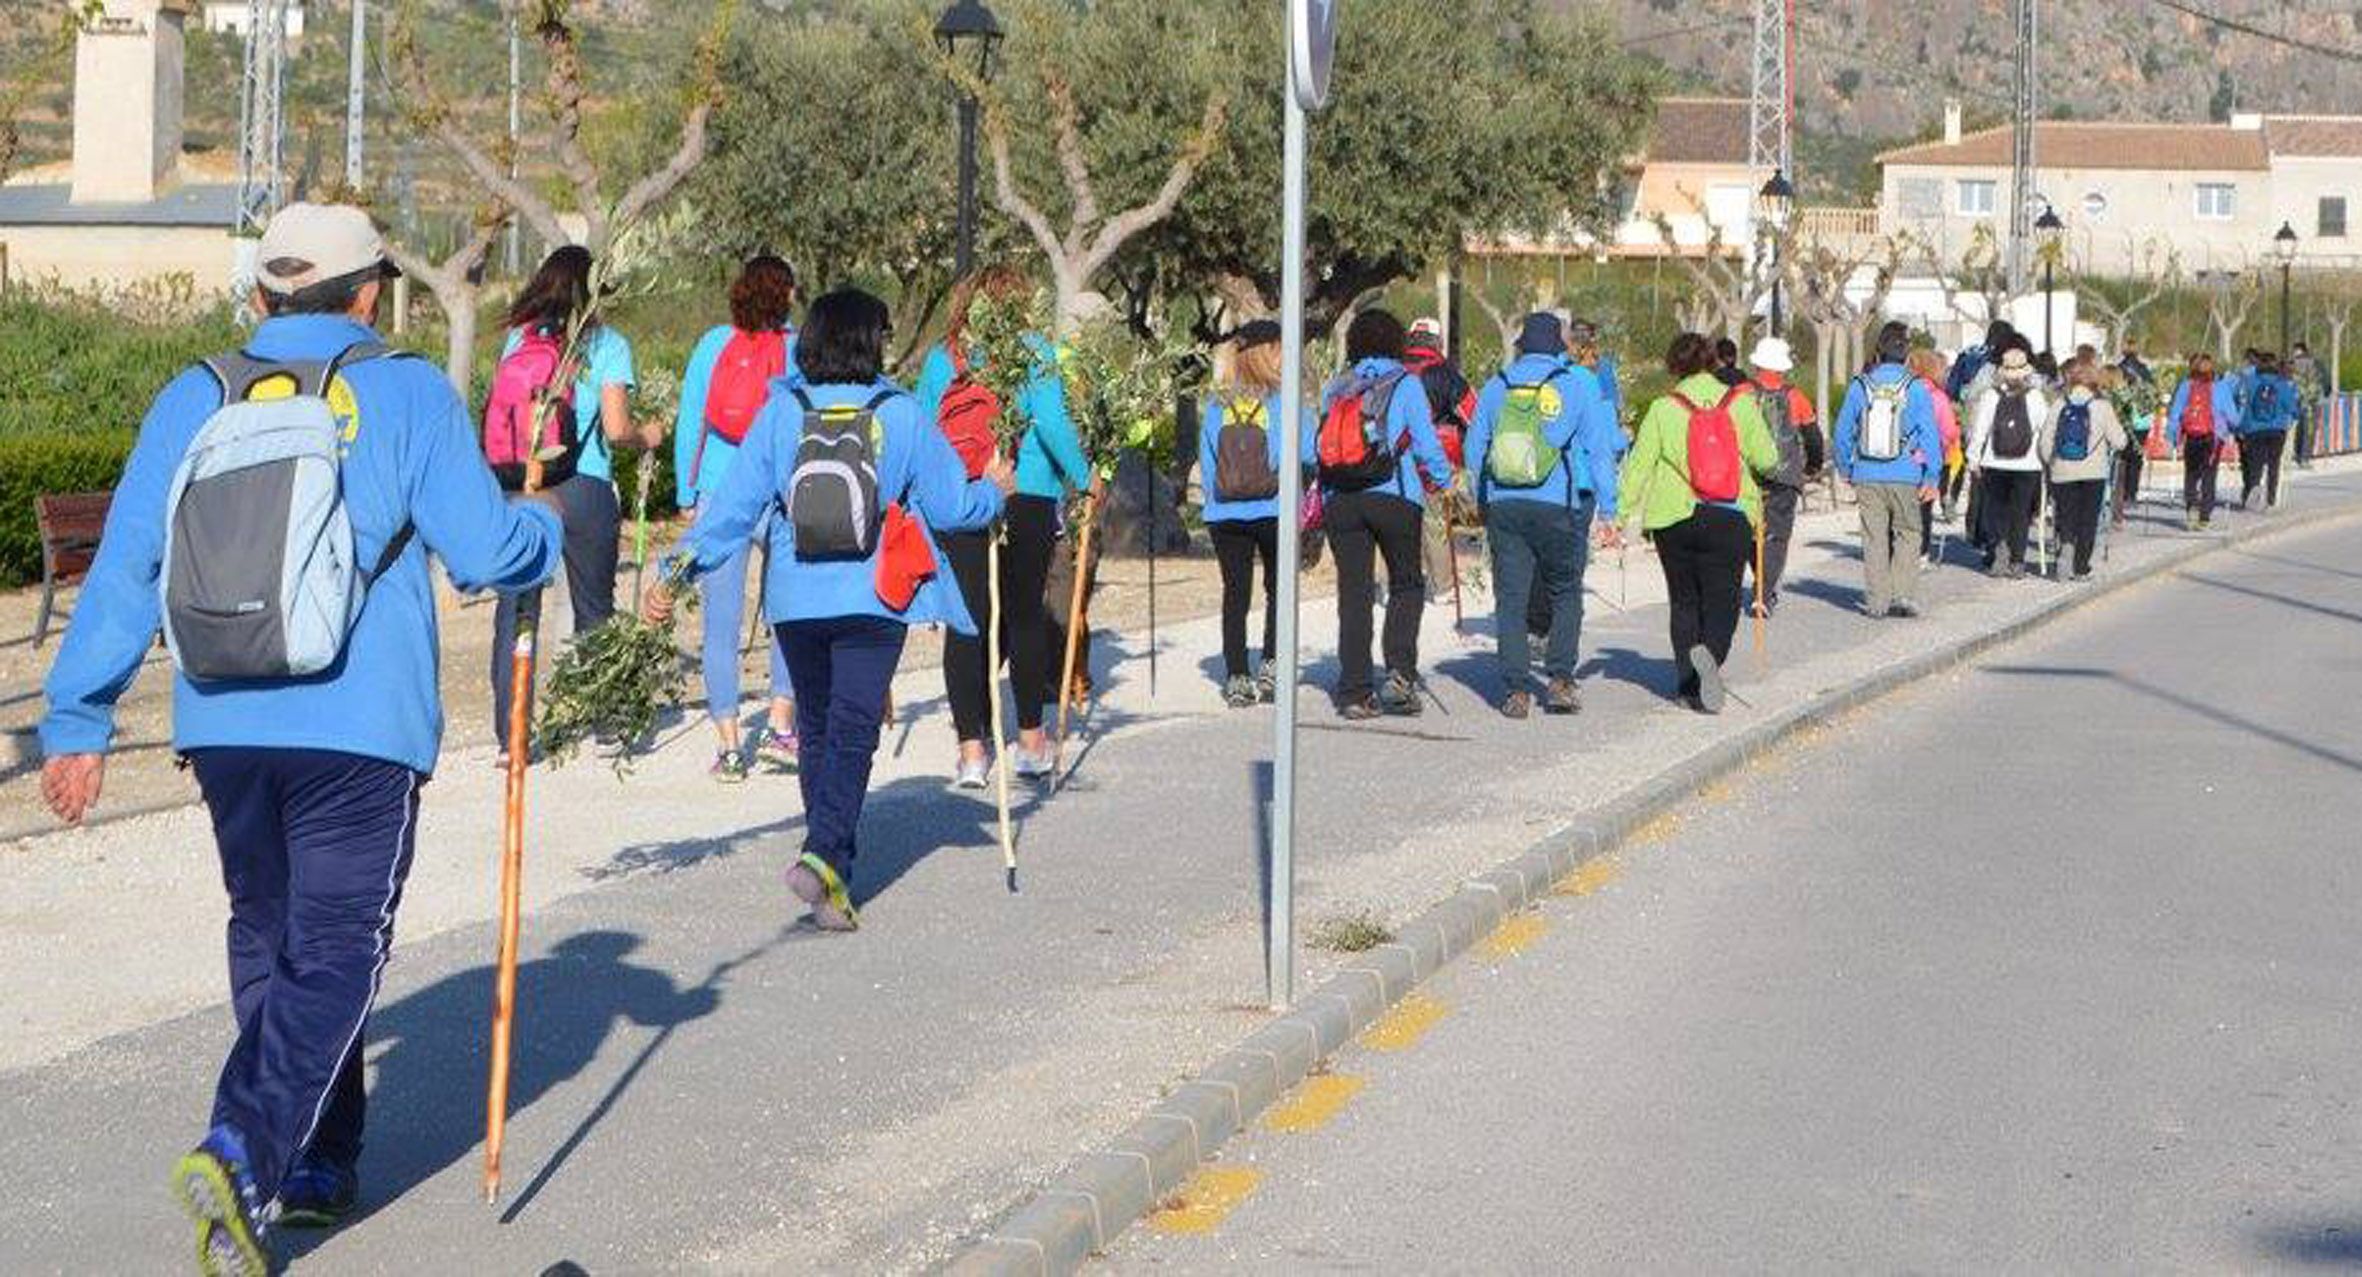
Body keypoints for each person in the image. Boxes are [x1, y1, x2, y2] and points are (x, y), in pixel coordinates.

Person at [38, 204, 565, 1268]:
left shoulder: (194, 392)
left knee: (270, 935)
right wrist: (543, 531)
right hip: (357, 725)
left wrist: (76, 719)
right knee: (335, 948)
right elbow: (483, 546)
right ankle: (243, 1147)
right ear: (370, 293)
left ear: (261, 295)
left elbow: (128, 567)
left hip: (224, 721)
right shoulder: (408, 388)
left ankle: (315, 1160)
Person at [647, 289, 1013, 930]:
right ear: (871, 340)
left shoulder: (781, 412)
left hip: (797, 597)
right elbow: (955, 507)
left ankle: (831, 878)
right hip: (875, 594)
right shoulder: (899, 413)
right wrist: (996, 493)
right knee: (852, 726)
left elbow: (732, 509)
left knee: (818, 727)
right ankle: (822, 853)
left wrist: (674, 572)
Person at [914, 268, 1100, 786]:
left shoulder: (940, 359)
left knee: (967, 621)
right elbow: (1054, 423)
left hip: (961, 499)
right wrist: (1084, 478)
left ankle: (972, 751)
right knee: (1023, 615)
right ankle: (1031, 742)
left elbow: (924, 432)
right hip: (1028, 492)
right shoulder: (1033, 351)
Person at [488, 246, 663, 760]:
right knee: (594, 607)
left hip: (522, 486)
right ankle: (605, 722)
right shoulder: (607, 343)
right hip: (583, 485)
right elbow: (615, 427)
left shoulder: (517, 339)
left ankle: (512, 737)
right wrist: (646, 434)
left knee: (516, 607)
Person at [673, 254, 801, 781]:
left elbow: (690, 420)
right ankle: (778, 725)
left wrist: (687, 492)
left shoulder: (712, 344)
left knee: (719, 627)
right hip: (781, 495)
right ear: (786, 295)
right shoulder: (797, 350)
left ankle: (728, 747)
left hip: (720, 495)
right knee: (788, 614)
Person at [1464, 312, 1623, 718]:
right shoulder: (1575, 385)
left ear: (1521, 345)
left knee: (1512, 597)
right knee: (1565, 591)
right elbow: (1598, 450)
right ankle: (1560, 681)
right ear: (1559, 345)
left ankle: (1516, 690)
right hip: (1559, 505)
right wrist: (1609, 507)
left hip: (1505, 504)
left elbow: (1474, 447)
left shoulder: (1497, 385)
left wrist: (1480, 497)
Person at [1616, 333, 1779, 714]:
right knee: (1722, 601)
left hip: (1674, 517)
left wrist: (1619, 514)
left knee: (1684, 601)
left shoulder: (1662, 408)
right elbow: (1767, 458)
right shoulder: (1740, 402)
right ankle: (1712, 660)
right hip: (1730, 514)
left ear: (1674, 366)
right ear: (1712, 362)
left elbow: (1639, 466)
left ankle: (1688, 684)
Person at [1309, 308, 1454, 719]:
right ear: (1395, 343)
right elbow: (1426, 444)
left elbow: (1319, 447)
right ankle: (1399, 676)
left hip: (1342, 499)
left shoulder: (1336, 388)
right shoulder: (1406, 384)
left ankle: (1354, 690)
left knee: (1353, 593)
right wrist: (1442, 481)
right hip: (1394, 495)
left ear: (1353, 343)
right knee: (1407, 584)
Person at [1197, 320, 1295, 707]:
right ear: (1268, 353)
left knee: (1235, 594)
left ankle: (1237, 675)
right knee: (1278, 590)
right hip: (1273, 507)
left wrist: (1215, 501)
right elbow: (1303, 452)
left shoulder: (1216, 405)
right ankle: (1271, 665)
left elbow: (1207, 462)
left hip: (1225, 512)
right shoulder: (1282, 402)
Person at [1834, 322, 1945, 615]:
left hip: (1867, 473)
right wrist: (1932, 475)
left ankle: (1876, 601)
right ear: (1906, 354)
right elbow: (1930, 434)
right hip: (1905, 472)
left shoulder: (1860, 386)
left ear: (1879, 352)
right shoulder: (1915, 388)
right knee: (1908, 532)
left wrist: (1846, 467)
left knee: (1874, 537)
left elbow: (1843, 432)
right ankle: (1902, 595)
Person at [1743, 336, 1819, 615]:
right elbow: (1813, 437)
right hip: (1784, 477)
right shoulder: (1796, 397)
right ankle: (1763, 594)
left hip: (1748, 476)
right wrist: (1812, 466)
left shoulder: (1741, 393)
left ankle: (1762, 580)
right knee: (1777, 535)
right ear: (1783, 368)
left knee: (1750, 533)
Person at [2041, 357, 2130, 581]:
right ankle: (2080, 568)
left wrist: (2050, 463)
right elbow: (2120, 441)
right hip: (2093, 473)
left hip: (2062, 471)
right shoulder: (2102, 407)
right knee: (2088, 520)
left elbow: (2044, 441)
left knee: (2066, 516)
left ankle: (2065, 549)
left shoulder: (2059, 405)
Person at [1965, 346, 2052, 577]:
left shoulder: (1990, 396)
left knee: (1997, 512)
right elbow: (2045, 431)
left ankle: (1998, 550)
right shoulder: (2035, 398)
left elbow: (1979, 431)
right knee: (2021, 514)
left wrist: (1973, 460)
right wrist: (2047, 460)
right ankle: (2017, 561)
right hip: (2028, 464)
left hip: (1994, 462)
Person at [2166, 352, 2242, 530]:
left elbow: (2175, 414)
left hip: (2191, 436)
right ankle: (2205, 516)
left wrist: (2172, 438)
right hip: (2213, 438)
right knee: (2209, 475)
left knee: (2191, 474)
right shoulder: (2221, 387)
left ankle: (2191, 506)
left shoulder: (2186, 386)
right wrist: (2234, 427)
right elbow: (2233, 417)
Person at [1905, 347, 1961, 564]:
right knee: (1924, 509)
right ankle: (1921, 552)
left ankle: (1900, 551)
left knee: (1902, 508)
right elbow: (1949, 430)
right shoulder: (1938, 397)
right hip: (1929, 459)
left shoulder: (1903, 392)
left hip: (1902, 460)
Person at [1403, 317, 1476, 468]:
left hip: (1398, 456)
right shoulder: (1446, 374)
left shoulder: (1394, 369)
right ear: (1438, 343)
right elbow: (1474, 416)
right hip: (1439, 459)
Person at [2235, 350, 2298, 511]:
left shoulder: (2248, 381)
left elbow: (2238, 398)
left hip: (2253, 429)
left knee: (2254, 464)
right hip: (2277, 429)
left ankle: (2254, 488)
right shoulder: (2282, 383)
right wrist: (2294, 416)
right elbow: (2291, 407)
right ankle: (2271, 499)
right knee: (2273, 464)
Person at [2101, 364, 2151, 527]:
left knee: (2104, 479)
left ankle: (2099, 513)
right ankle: (2117, 516)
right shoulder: (2126, 394)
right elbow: (2140, 413)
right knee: (2118, 479)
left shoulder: (2099, 395)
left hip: (2102, 441)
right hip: (2121, 437)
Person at [2291, 340, 2331, 468]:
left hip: (2298, 400)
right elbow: (2326, 380)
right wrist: (2325, 393)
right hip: (2313, 401)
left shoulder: (2291, 364)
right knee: (2309, 429)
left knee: (2300, 428)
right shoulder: (2317, 363)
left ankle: (2298, 455)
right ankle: (2305, 457)